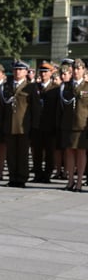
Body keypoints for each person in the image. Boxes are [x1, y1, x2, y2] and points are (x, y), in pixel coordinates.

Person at [3, 60, 40, 188]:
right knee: (11, 154)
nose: (17, 72)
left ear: (26, 72)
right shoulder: (7, 86)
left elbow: (35, 108)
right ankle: (13, 177)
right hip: (10, 124)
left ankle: (22, 178)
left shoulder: (30, 87)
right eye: (15, 69)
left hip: (24, 125)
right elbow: (4, 106)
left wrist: (34, 126)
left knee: (23, 154)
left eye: (20, 70)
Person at [59, 59, 88, 192]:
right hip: (68, 124)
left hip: (82, 125)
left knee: (81, 153)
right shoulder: (66, 86)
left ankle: (79, 181)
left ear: (84, 70)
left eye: (79, 68)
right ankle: (70, 180)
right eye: (74, 69)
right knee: (69, 152)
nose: (76, 71)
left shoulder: (87, 86)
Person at [32, 62, 58, 183]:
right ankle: (37, 174)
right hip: (36, 125)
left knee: (49, 152)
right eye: (41, 72)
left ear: (51, 73)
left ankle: (47, 175)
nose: (43, 74)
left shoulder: (56, 88)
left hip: (50, 125)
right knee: (36, 152)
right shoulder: (34, 87)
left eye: (46, 72)